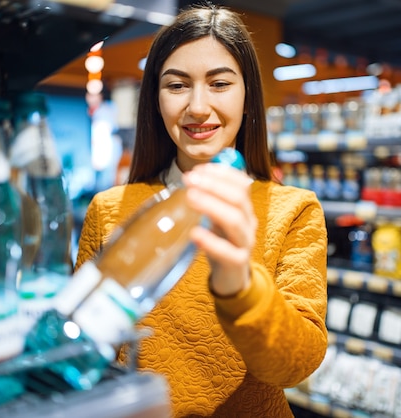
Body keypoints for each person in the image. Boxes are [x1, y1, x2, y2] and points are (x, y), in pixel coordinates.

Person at [76, 4, 328, 417]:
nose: (197, 106)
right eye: (177, 86)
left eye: (219, 84)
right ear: (155, 100)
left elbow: (295, 364)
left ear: (247, 94)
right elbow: (85, 348)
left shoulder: (293, 209)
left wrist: (239, 285)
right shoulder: (110, 208)